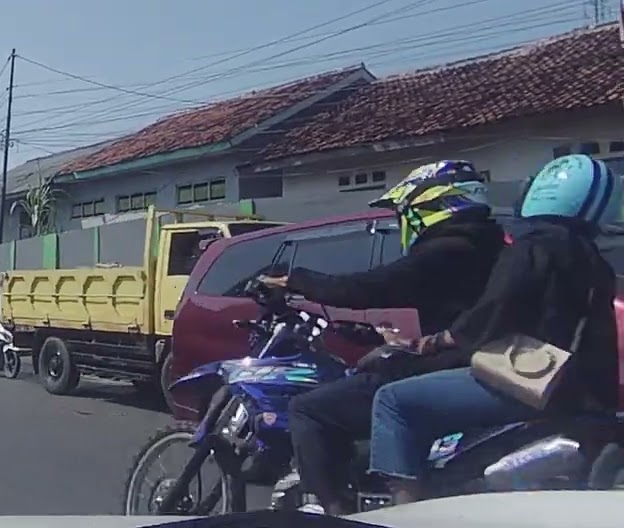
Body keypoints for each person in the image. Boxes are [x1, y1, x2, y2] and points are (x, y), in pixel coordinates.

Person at [369, 154, 621, 505]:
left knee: (392, 401)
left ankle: (405, 510)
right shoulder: (594, 259)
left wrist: (433, 341)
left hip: (529, 386)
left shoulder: (530, 247)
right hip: (580, 391)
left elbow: (492, 312)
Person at [259, 160, 505, 516]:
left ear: (429, 206)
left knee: (308, 409)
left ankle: (333, 510)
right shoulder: (494, 242)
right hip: (475, 359)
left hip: (456, 366)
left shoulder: (449, 250)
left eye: (405, 212)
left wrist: (295, 280)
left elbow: (366, 288)